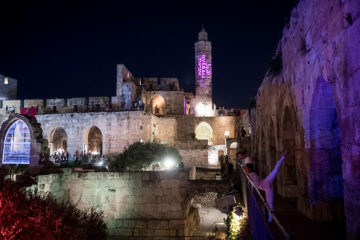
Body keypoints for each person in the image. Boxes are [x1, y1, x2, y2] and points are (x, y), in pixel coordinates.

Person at [243, 150, 289, 222]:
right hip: (266, 188)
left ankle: (283, 157)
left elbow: (256, 183)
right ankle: (270, 219)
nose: (245, 169)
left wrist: (250, 180)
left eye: (246, 168)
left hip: (266, 182)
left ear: (249, 169)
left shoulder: (253, 174)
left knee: (275, 170)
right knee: (269, 203)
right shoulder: (249, 174)